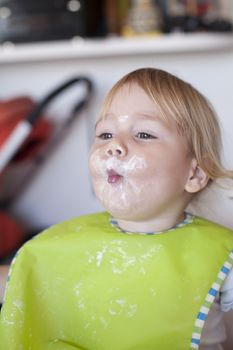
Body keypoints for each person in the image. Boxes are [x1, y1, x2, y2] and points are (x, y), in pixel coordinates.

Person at [0, 68, 233, 350]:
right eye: (105, 133)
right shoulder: (66, 244)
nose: (114, 146)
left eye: (144, 134)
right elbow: (22, 278)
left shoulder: (220, 255)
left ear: (194, 174)